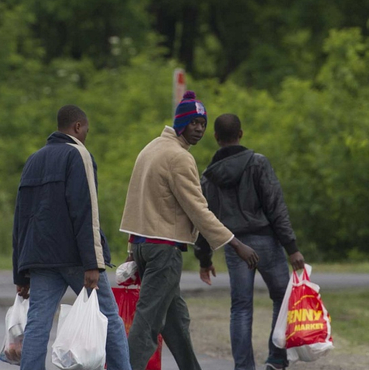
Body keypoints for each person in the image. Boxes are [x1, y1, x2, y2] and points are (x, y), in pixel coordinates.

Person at [119, 91, 260, 370]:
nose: (199, 129)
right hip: (164, 251)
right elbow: (198, 208)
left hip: (145, 246)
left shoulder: (151, 148)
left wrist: (132, 249)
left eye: (203, 124)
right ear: (180, 122)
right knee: (147, 324)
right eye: (194, 122)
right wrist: (234, 243)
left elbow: (136, 201)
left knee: (175, 321)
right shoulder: (179, 157)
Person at [11, 105, 131, 370]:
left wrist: (20, 274)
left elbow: (20, 219)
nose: (86, 134)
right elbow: (85, 210)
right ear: (78, 127)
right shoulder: (78, 154)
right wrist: (93, 263)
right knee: (109, 317)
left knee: (37, 325)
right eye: (86, 129)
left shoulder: (34, 160)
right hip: (76, 258)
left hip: (40, 259)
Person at [195, 113, 305, 370]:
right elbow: (276, 207)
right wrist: (292, 248)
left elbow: (203, 219)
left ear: (216, 138)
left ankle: (243, 367)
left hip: (235, 247)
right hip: (266, 241)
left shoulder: (209, 176)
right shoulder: (258, 163)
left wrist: (204, 258)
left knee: (241, 308)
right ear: (241, 134)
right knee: (282, 296)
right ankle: (276, 359)